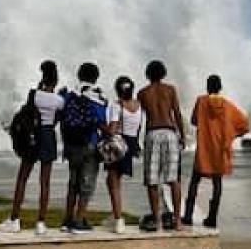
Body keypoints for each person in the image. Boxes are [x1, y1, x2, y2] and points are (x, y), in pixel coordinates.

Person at [0, 60, 65, 235]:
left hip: (32, 136)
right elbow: (57, 119)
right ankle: (41, 222)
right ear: (55, 81)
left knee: (22, 179)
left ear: (42, 77)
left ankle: (15, 219)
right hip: (48, 136)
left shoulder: (34, 94)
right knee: (45, 182)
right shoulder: (59, 100)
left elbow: (28, 112)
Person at [182, 74, 249, 228]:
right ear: (220, 87)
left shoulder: (201, 101)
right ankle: (212, 218)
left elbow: (194, 121)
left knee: (195, 181)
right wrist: (231, 135)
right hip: (220, 149)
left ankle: (188, 216)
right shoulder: (227, 105)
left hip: (204, 149)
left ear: (208, 87)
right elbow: (244, 125)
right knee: (217, 183)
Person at [59, 62, 110, 234]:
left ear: (79, 75)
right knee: (87, 183)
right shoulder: (98, 97)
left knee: (73, 183)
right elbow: (102, 123)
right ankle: (79, 220)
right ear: (96, 77)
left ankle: (67, 219)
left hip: (71, 144)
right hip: (90, 143)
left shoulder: (70, 94)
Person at [138, 60, 186, 231]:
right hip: (170, 132)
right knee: (174, 179)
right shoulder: (170, 89)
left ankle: (157, 220)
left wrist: (136, 139)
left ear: (148, 74)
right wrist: (183, 135)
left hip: (152, 133)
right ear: (163, 73)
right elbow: (177, 114)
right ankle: (178, 221)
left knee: (152, 180)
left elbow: (139, 119)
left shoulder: (143, 93)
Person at [104, 76, 142, 234]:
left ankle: (119, 220)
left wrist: (100, 126)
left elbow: (112, 130)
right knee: (114, 180)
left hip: (118, 143)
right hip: (131, 142)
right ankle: (116, 214)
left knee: (113, 182)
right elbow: (139, 127)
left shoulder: (117, 105)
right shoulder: (139, 106)